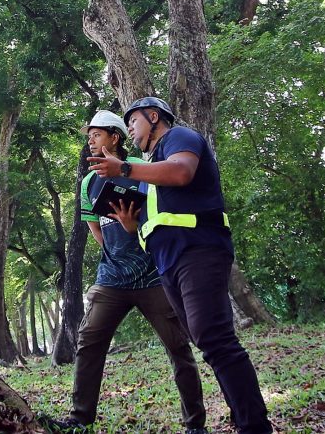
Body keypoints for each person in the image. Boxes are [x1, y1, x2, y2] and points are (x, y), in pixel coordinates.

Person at [88, 98, 273, 434]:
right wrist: (131, 224)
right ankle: (244, 418)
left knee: (214, 337)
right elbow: (150, 219)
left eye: (134, 121)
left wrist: (124, 169)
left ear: (154, 116)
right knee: (206, 341)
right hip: (167, 260)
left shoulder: (178, 138)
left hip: (198, 248)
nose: (130, 128)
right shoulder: (147, 170)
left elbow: (182, 171)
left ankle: (254, 426)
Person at [43, 111, 208, 434]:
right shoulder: (89, 181)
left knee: (178, 347)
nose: (90, 140)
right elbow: (97, 231)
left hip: (152, 277)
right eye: (88, 135)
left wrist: (133, 229)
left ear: (115, 137)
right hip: (111, 279)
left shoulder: (142, 171)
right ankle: (79, 419)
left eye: (96, 134)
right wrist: (116, 249)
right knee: (89, 340)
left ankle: (195, 425)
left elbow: (158, 218)